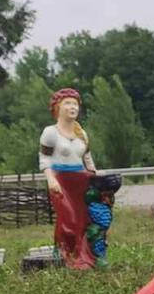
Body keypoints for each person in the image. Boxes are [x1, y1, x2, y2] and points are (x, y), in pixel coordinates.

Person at [39, 88, 117, 269]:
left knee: (85, 219)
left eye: (75, 103)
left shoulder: (82, 133)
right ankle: (65, 254)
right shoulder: (50, 132)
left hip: (82, 180)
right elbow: (45, 158)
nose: (72, 107)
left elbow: (88, 159)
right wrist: (51, 179)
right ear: (58, 107)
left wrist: (96, 177)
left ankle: (86, 257)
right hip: (61, 181)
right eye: (67, 103)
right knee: (68, 219)